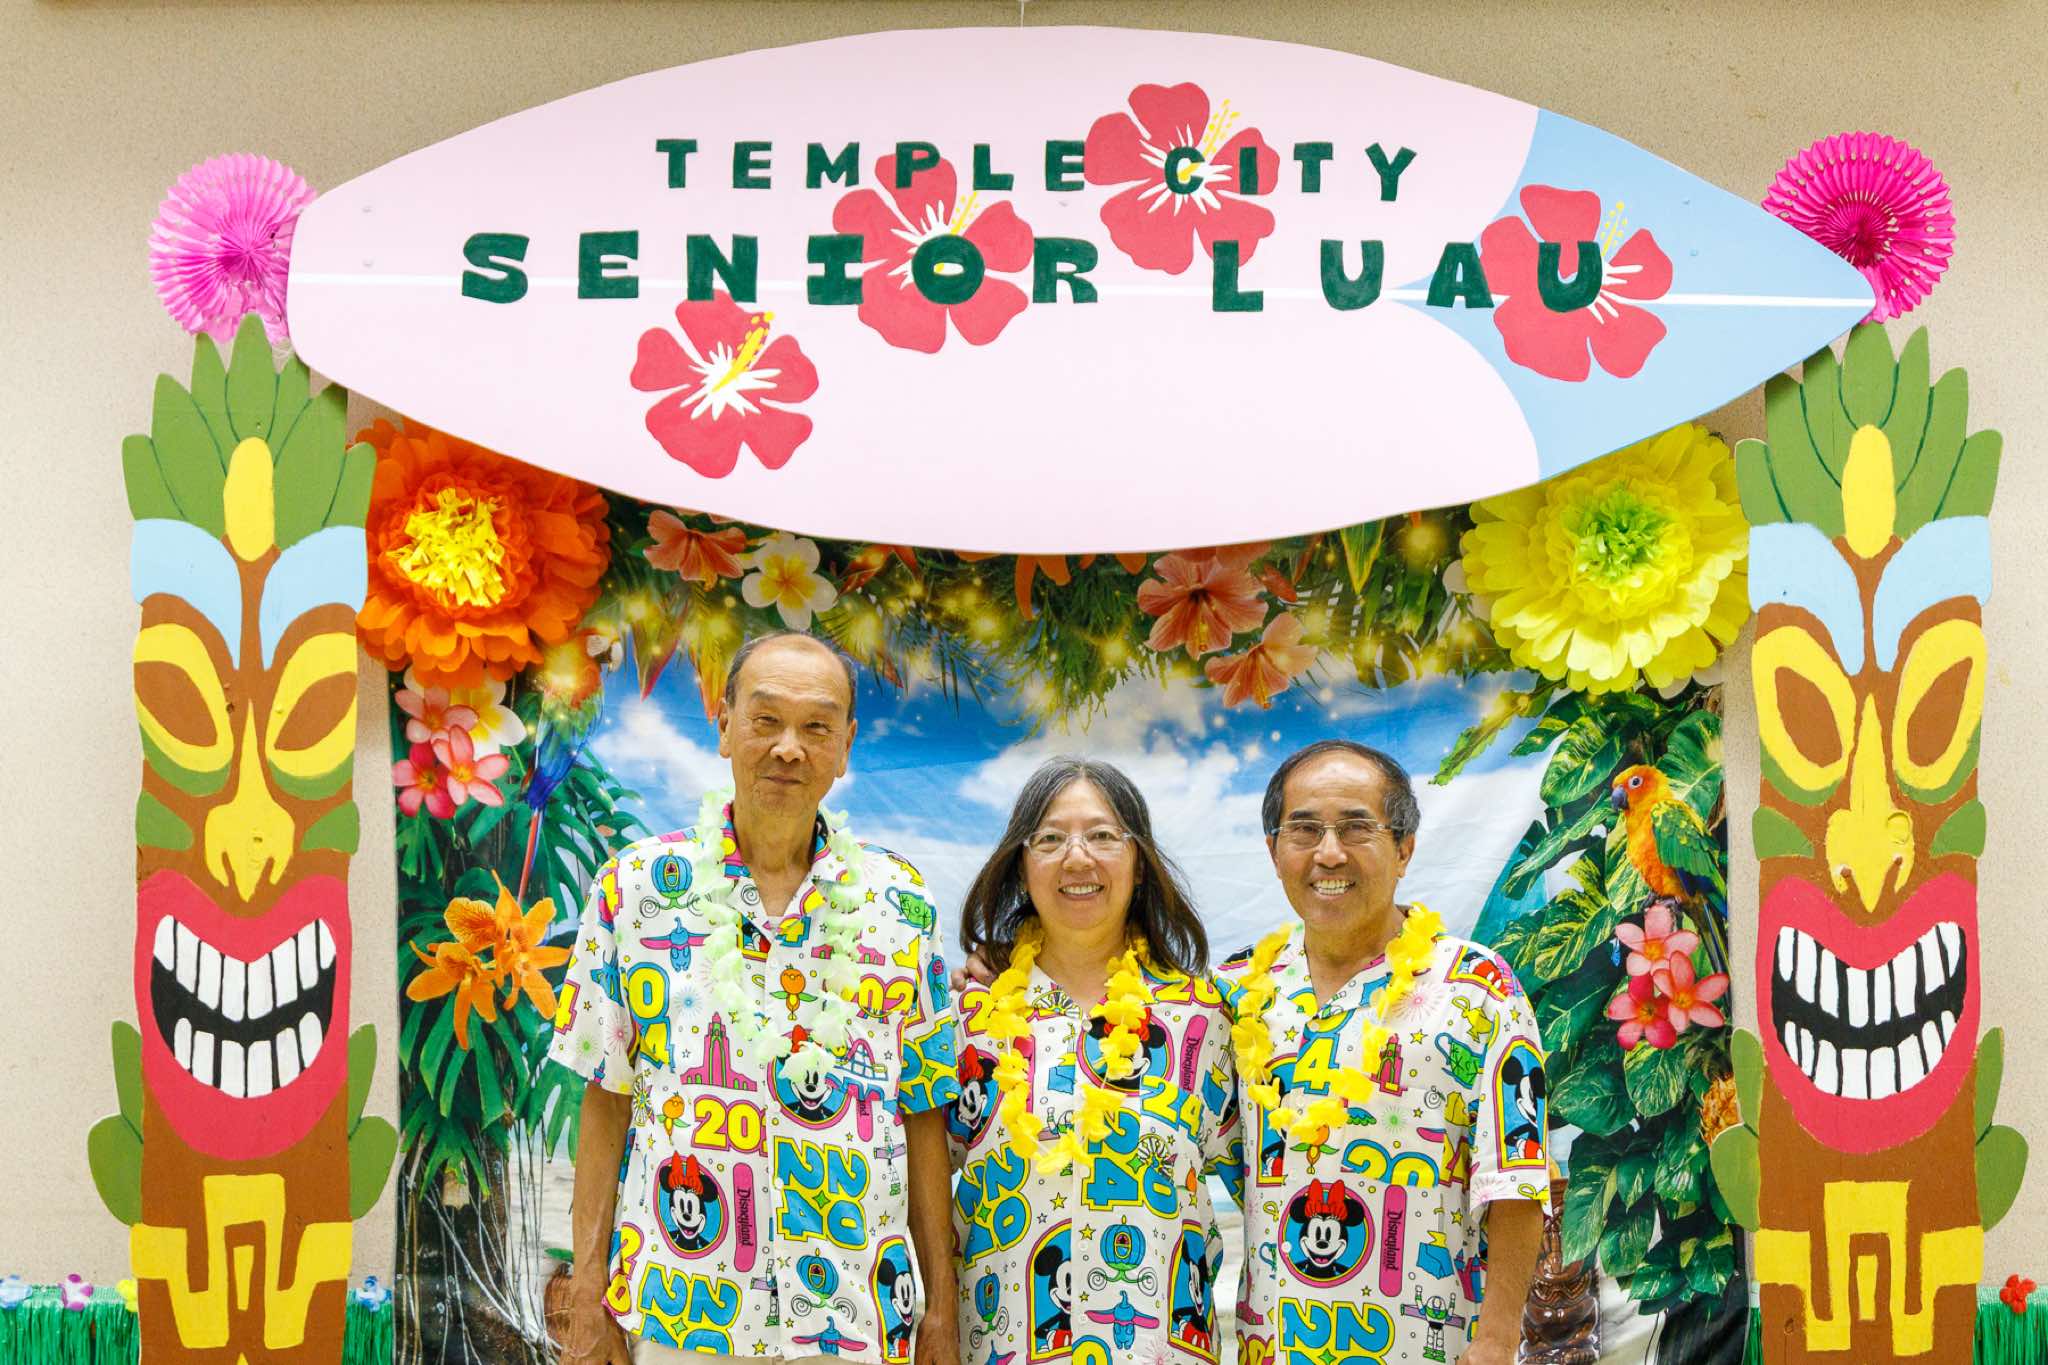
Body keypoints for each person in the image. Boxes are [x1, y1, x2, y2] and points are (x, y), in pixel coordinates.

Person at [551, 631, 961, 1365]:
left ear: (846, 747)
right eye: (766, 719)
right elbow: (605, 1098)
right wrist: (587, 1290)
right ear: (723, 725)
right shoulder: (636, 888)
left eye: (817, 727)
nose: (788, 748)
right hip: (683, 1313)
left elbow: (924, 1110)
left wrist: (942, 1308)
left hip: (856, 1314)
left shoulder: (900, 901)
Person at [1217, 740, 1547, 1365]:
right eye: (1304, 830)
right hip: (1275, 1346)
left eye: (1356, 828)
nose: (1329, 853)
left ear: (1404, 848)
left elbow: (1516, 1177)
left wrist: (1498, 1341)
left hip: (1432, 1344)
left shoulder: (1478, 987)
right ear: (1273, 851)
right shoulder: (1234, 993)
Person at [947, 759, 1239, 1365]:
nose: (1077, 857)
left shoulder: (1204, 1018)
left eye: (1103, 835)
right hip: (1002, 1348)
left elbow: (1271, 1186)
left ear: (1140, 862)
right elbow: (910, 1183)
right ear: (1020, 866)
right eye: (1050, 839)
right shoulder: (965, 1018)